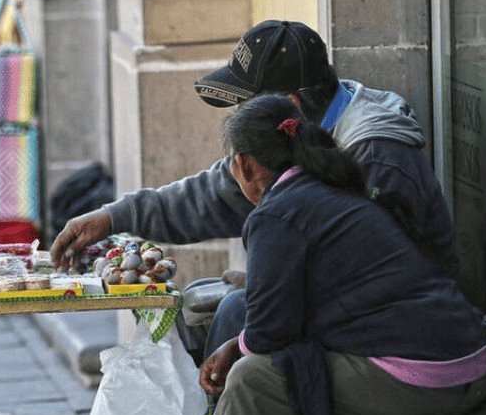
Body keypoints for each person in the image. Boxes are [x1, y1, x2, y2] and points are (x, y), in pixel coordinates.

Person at [161, 94, 486, 415]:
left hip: (426, 374)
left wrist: (235, 350)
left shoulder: (279, 213)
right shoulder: (332, 188)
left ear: (245, 165)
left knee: (252, 380)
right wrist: (239, 343)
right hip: (467, 363)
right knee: (295, 364)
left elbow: (270, 333)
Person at [49, 19, 455, 359]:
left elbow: (382, 272)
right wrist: (114, 217)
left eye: (247, 106)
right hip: (342, 301)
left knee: (234, 316)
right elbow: (214, 194)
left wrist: (279, 286)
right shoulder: (295, 135)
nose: (241, 117)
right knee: (193, 306)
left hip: (401, 329)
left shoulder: (377, 153)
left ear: (289, 105)